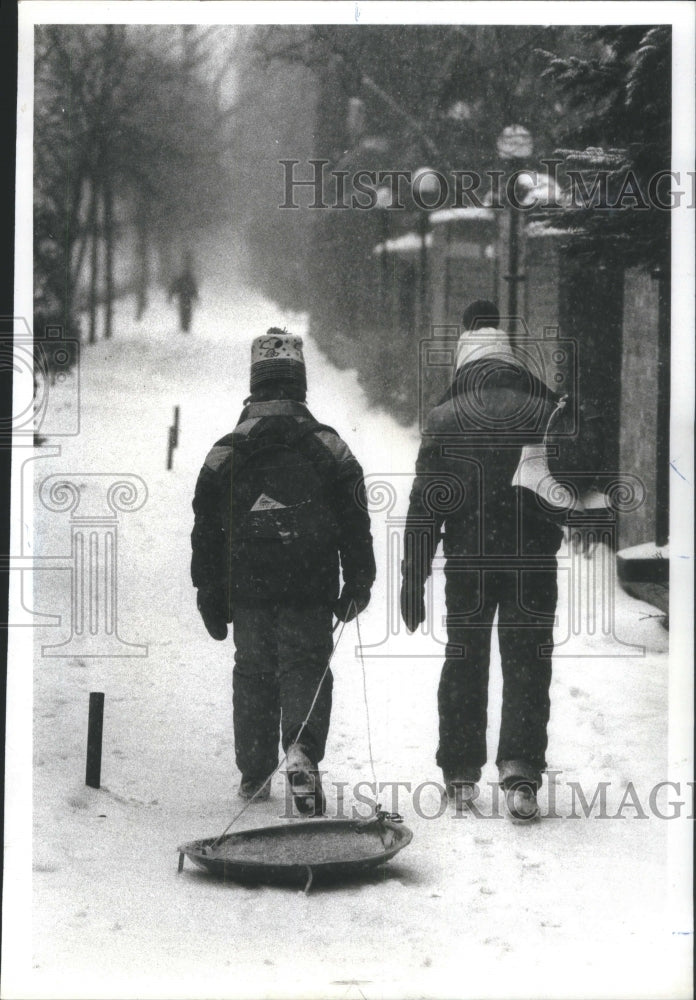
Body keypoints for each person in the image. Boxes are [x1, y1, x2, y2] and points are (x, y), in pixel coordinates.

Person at [400, 299, 599, 821]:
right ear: (508, 355)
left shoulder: (445, 417)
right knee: (527, 663)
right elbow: (572, 487)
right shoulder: (545, 409)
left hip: (469, 560)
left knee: (465, 661)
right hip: (532, 558)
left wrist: (412, 577)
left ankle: (462, 774)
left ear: (465, 356)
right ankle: (520, 772)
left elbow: (426, 504)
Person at [191, 329, 376, 815]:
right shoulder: (328, 447)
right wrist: (360, 577)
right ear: (301, 386)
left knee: (253, 670)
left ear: (255, 384)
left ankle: (254, 772)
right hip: (309, 583)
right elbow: (356, 516)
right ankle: (300, 753)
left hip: (247, 585)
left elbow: (206, 526)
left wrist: (208, 587)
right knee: (305, 666)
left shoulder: (227, 450)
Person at [169, 258, 199, 332]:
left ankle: (184, 326)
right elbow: (194, 289)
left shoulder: (181, 279)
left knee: (183, 312)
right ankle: (186, 327)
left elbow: (175, 288)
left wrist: (171, 295)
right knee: (187, 312)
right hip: (187, 298)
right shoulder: (190, 279)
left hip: (182, 297)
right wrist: (196, 297)